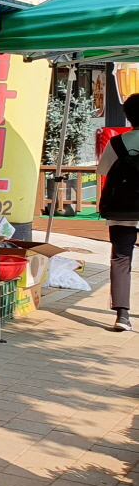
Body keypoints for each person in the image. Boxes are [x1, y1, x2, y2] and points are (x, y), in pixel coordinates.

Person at [97, 93, 139, 331]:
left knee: (121, 258)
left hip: (122, 209)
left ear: (128, 116)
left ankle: (122, 316)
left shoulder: (116, 142)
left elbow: (104, 170)